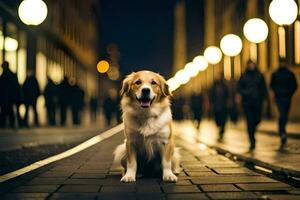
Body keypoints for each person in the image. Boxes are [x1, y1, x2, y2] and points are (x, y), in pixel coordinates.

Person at [238, 60, 267, 151]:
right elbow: (239, 88)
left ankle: (252, 132)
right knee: (249, 121)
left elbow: (263, 87)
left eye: (252, 64)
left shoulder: (259, 75)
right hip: (247, 102)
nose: (251, 66)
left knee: (257, 119)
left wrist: (264, 97)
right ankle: (252, 140)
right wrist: (245, 93)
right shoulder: (244, 76)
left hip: (258, 102)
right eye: (249, 64)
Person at [270, 58, 298, 148]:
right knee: (282, 114)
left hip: (287, 98)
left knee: (285, 116)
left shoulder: (290, 74)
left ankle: (282, 131)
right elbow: (272, 85)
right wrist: (277, 92)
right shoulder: (275, 74)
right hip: (279, 98)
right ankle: (282, 132)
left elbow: (295, 85)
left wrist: (289, 93)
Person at [0, 61, 20, 128]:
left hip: (6, 96)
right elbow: (17, 87)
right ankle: (10, 123)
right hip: (10, 97)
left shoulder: (4, 76)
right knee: (9, 110)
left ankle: (4, 123)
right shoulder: (12, 75)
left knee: (5, 110)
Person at [210, 75, 229, 141]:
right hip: (216, 106)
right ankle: (220, 127)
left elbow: (227, 95)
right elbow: (211, 96)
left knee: (223, 119)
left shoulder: (224, 86)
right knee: (217, 119)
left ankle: (222, 129)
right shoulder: (214, 87)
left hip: (223, 106)